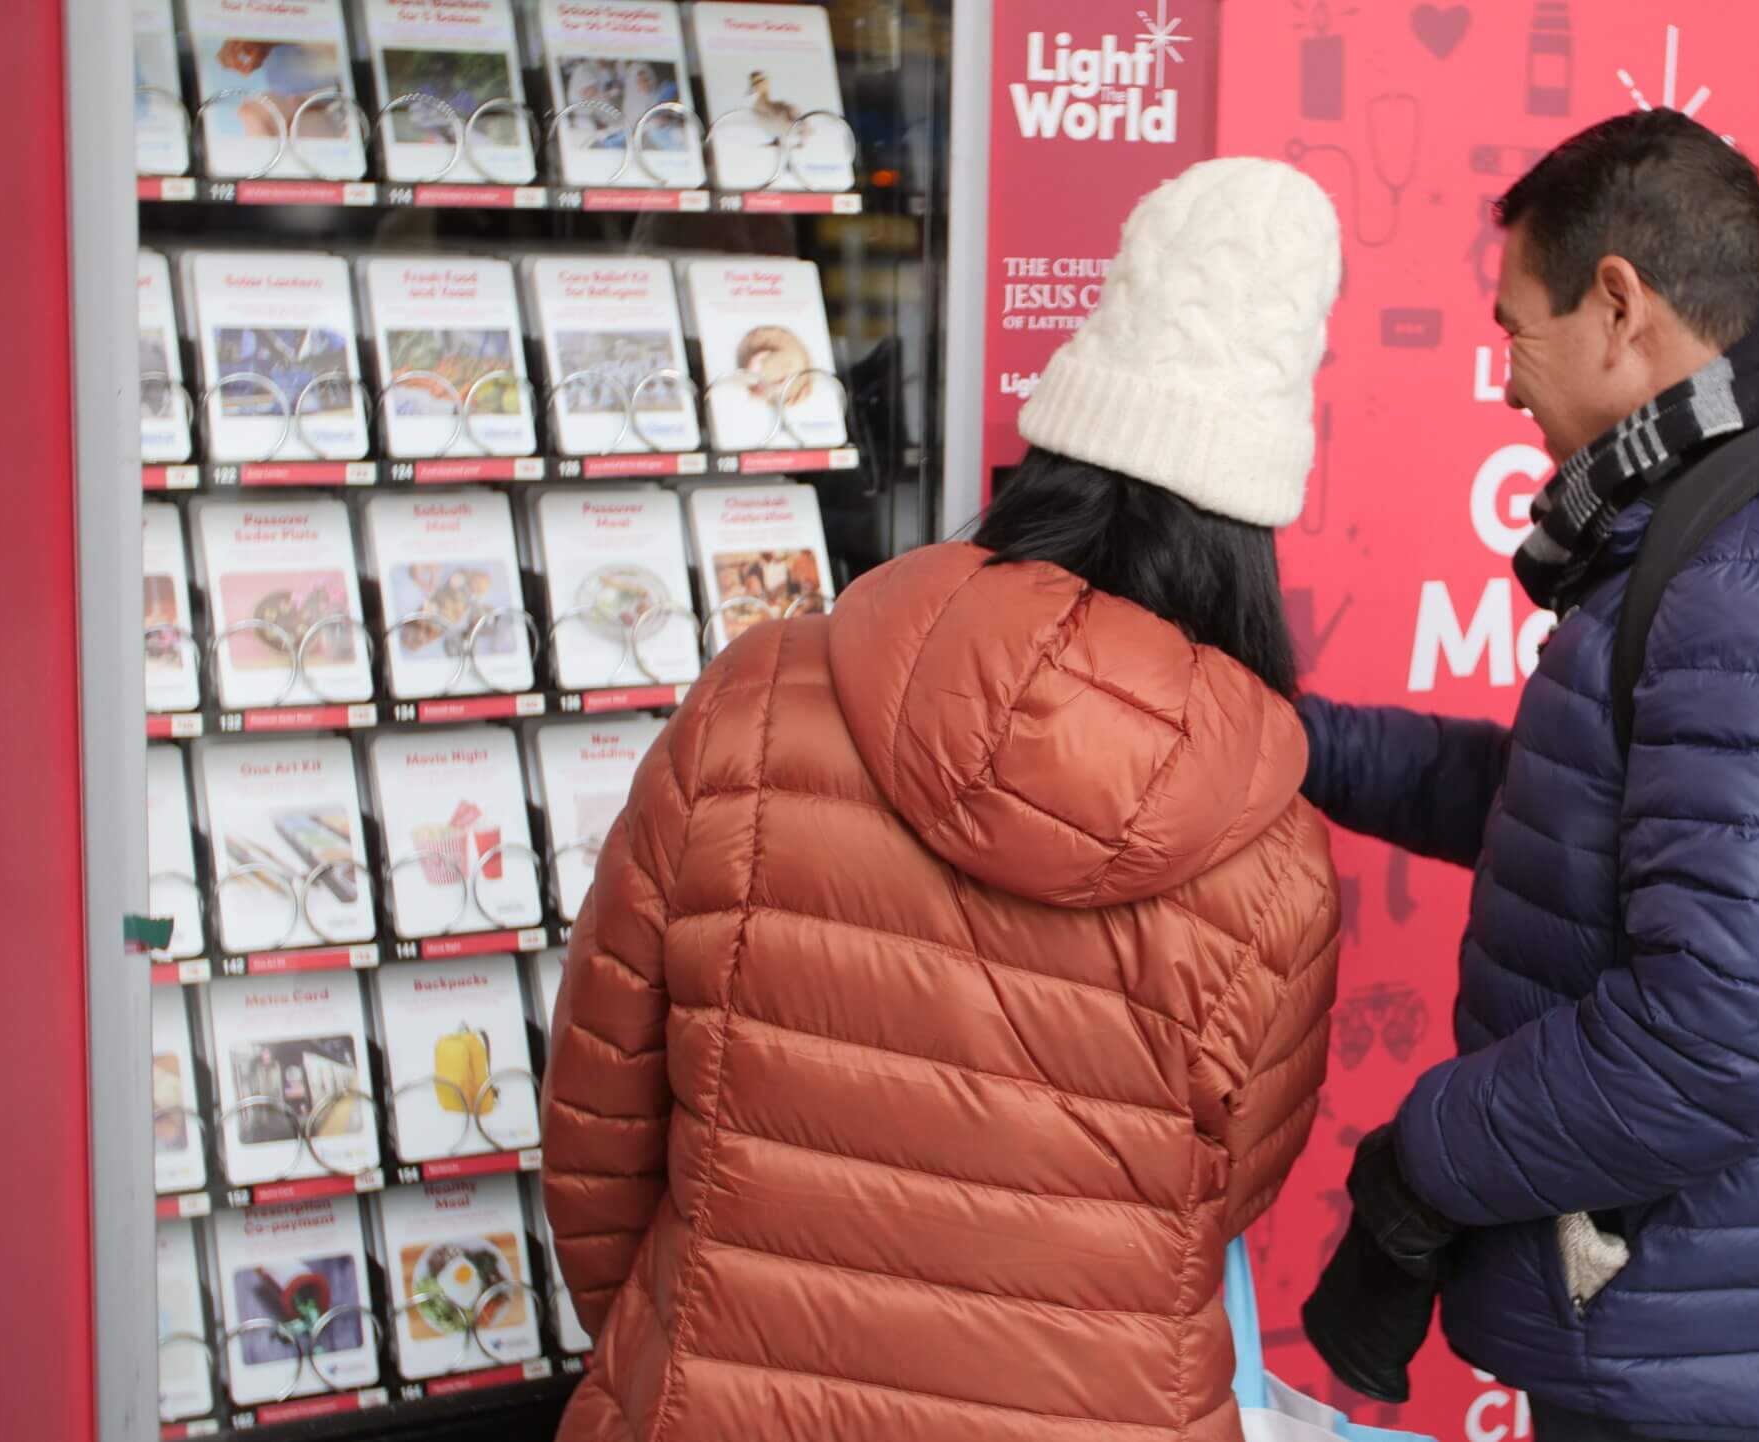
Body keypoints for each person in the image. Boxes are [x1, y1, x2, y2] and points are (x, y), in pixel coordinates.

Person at [539, 157, 1346, 1442]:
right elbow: (1223, 1196)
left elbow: (599, 1111)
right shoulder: (1273, 857)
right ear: (1248, 538)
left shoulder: (759, 701)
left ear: (1050, 458)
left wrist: (670, 1334)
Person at [1297, 109, 1759, 1442]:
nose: (1503, 377)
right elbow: (1568, 821)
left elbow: (1718, 1033)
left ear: (1619, 306)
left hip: (1728, 1366)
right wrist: (1301, 742)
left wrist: (1426, 1152)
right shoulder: (1738, 528)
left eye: (1515, 327)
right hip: (1707, 1320)